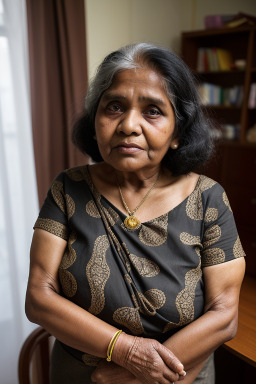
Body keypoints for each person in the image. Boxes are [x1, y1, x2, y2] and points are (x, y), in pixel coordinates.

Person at [25, 43, 245, 384]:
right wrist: (125, 351)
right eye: (114, 106)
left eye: (153, 110)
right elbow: (39, 297)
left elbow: (225, 315)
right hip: (83, 375)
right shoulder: (68, 189)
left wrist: (130, 377)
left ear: (178, 132)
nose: (128, 125)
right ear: (95, 119)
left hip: (181, 374)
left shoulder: (209, 199)